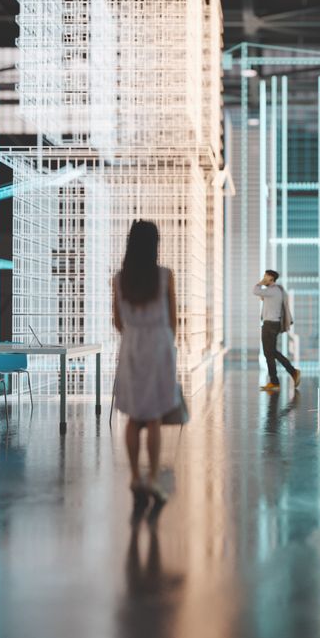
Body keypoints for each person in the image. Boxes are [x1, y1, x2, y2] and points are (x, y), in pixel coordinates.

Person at [113, 220, 178, 514]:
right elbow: (173, 319)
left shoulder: (120, 279)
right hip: (158, 345)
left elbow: (117, 322)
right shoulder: (165, 276)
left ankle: (134, 477)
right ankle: (152, 478)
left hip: (132, 345)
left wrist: (134, 332)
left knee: (133, 417)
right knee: (152, 418)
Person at [252, 269, 301, 392]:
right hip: (271, 324)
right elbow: (262, 297)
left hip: (270, 325)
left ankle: (289, 373)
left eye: (266, 276)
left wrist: (261, 282)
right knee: (270, 353)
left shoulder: (273, 290)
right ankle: (279, 379)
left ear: (271, 278)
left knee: (270, 353)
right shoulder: (275, 290)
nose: (263, 278)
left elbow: (255, 290)